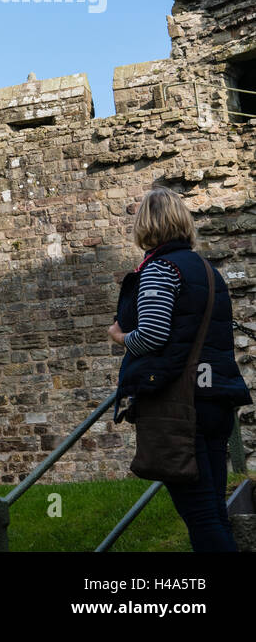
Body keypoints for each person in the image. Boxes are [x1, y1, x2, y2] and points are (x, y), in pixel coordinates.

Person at [110, 186, 252, 552]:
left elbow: (153, 335)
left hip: (180, 408)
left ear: (146, 224)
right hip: (215, 399)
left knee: (203, 518)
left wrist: (121, 337)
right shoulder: (207, 271)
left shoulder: (161, 268)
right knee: (214, 513)